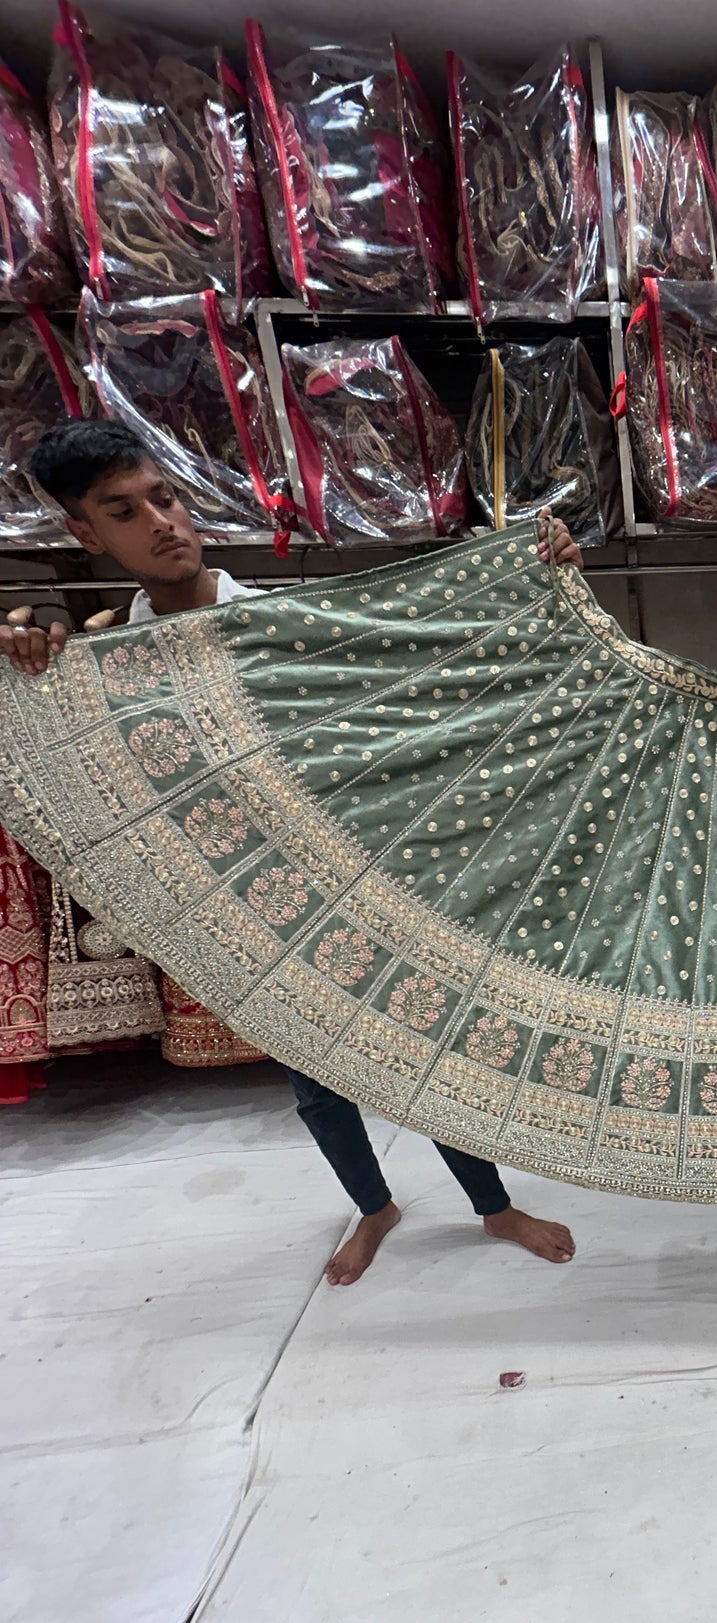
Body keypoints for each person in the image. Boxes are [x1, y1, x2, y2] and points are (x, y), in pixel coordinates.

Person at [2, 418, 582, 1283]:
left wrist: (535, 577)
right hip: (252, 915)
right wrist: (29, 667)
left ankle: (493, 1209)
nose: (161, 522)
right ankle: (375, 1207)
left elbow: (436, 667)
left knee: (429, 1065)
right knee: (319, 1088)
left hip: (365, 884)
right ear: (86, 534)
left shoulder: (291, 628)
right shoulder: (103, 666)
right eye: (124, 511)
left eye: (163, 496)